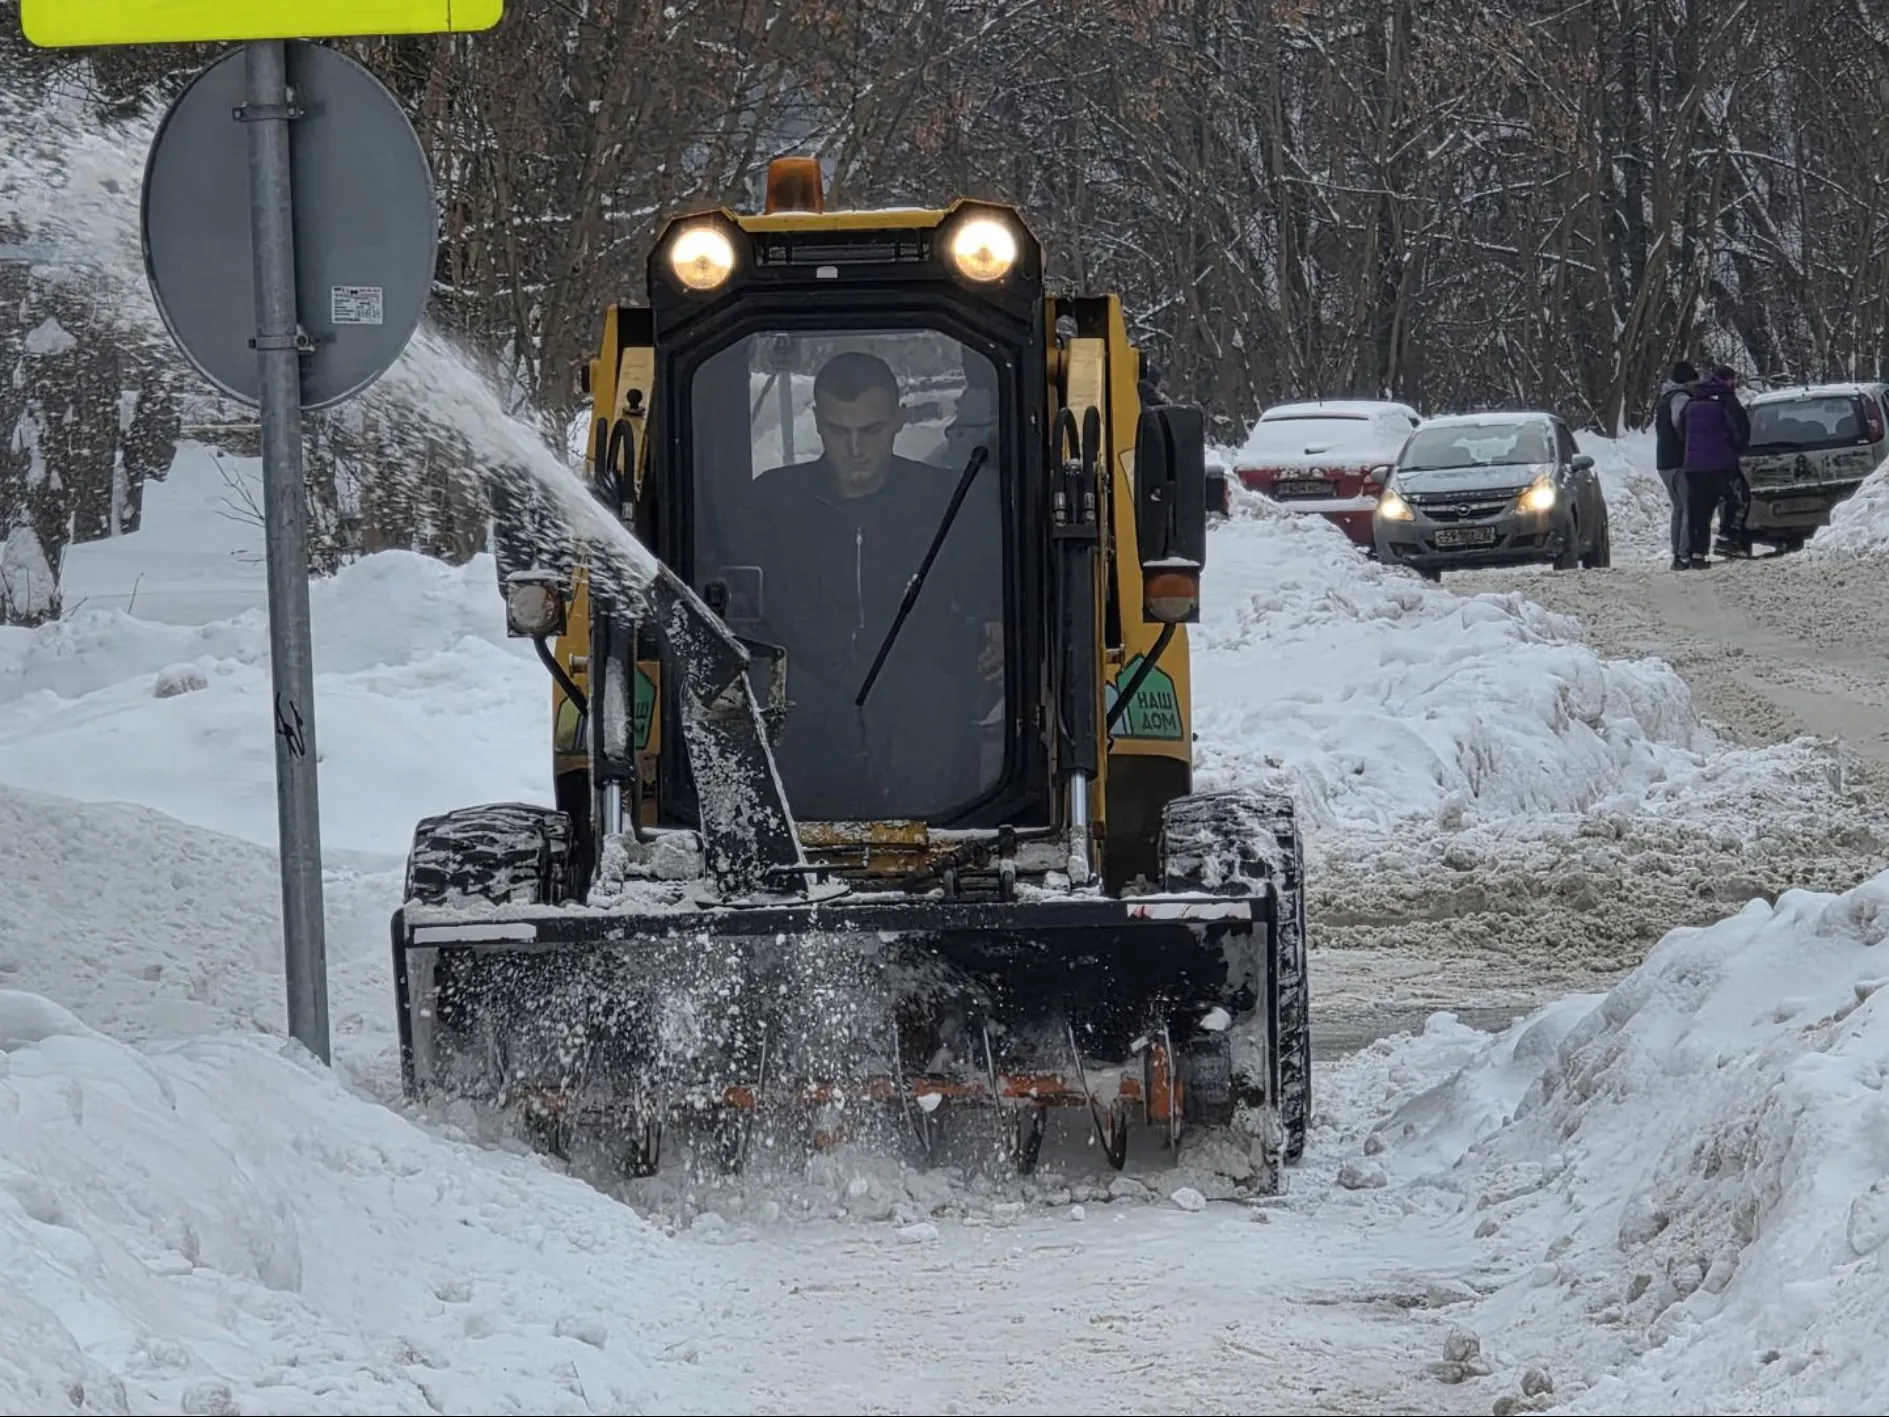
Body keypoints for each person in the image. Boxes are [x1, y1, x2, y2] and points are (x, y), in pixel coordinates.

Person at [744, 350, 1002, 817]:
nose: (855, 449)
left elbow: (997, 581)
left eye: (871, 430)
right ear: (819, 423)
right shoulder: (770, 506)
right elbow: (731, 598)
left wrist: (1000, 621)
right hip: (806, 713)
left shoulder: (950, 504)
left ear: (899, 420)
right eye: (839, 432)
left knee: (931, 704)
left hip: (926, 720)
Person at [1678, 367, 1748, 569]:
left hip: (1694, 467)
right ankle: (1728, 538)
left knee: (1699, 511)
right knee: (1739, 499)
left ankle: (1697, 554)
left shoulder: (1693, 401)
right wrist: (1737, 449)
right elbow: (1740, 429)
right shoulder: (1726, 401)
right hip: (1722, 464)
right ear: (1728, 381)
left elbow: (1682, 428)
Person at [1652, 361, 1697, 570]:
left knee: (1678, 508)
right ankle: (1683, 554)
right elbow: (1680, 423)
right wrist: (1689, 445)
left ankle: (1677, 552)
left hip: (1664, 461)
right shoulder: (1680, 398)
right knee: (1689, 507)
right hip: (1679, 460)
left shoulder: (1664, 399)